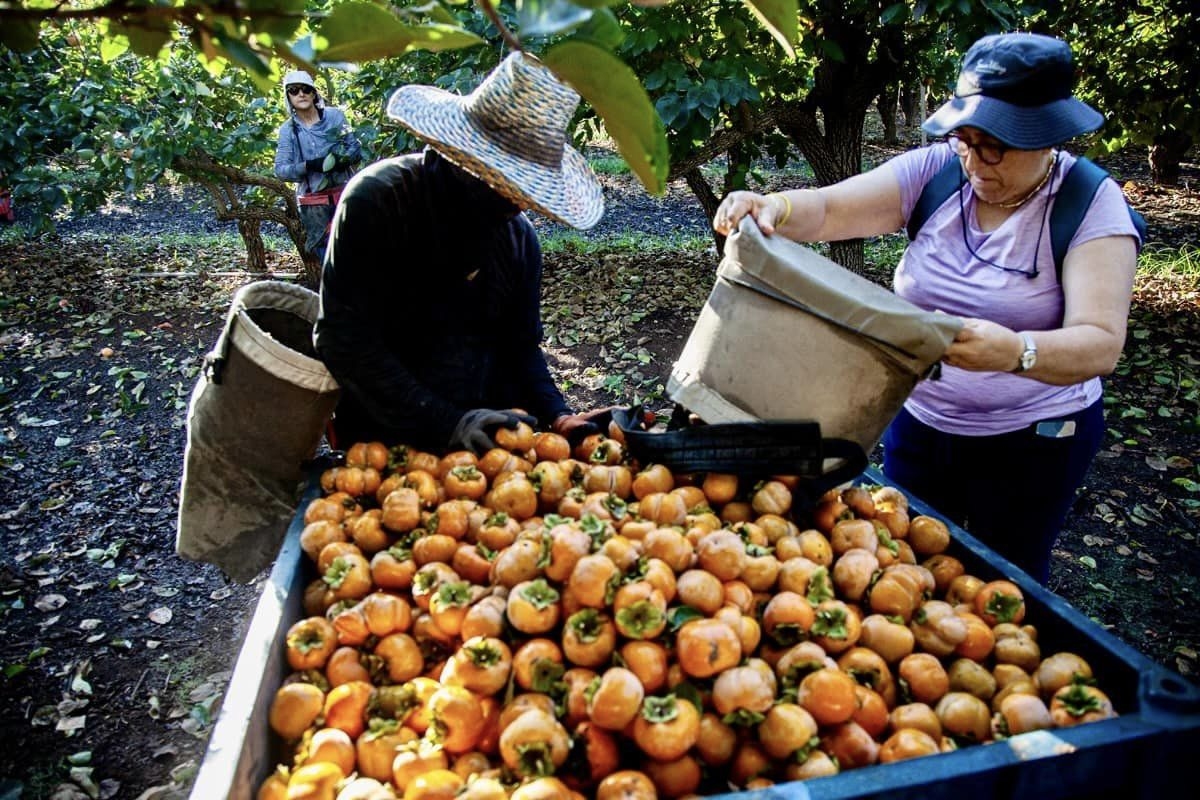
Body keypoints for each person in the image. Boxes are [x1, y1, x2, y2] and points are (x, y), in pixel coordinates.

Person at [712, 33, 1143, 584]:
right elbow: (825, 212)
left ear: (1048, 138)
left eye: (997, 146)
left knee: (1003, 579)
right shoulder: (939, 172)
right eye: (966, 140)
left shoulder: (1089, 203)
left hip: (1033, 441)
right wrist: (772, 206)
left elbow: (1100, 342)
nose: (977, 162)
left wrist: (1014, 352)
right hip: (921, 423)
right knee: (903, 569)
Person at [314, 51, 609, 455]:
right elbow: (343, 338)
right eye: (499, 185)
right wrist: (446, 421)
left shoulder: (518, 240)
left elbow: (519, 346)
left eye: (519, 196)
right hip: (383, 436)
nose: (510, 204)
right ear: (459, 159)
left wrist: (558, 414)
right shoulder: (380, 201)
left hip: (484, 443)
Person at [274, 69, 362, 260]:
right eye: (294, 90)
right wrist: (308, 166)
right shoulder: (288, 131)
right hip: (314, 204)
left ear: (314, 93)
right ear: (288, 97)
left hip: (345, 194)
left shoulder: (335, 117)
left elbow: (355, 148)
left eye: (306, 89)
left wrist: (342, 160)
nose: (301, 94)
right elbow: (281, 170)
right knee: (327, 256)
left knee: (358, 248)